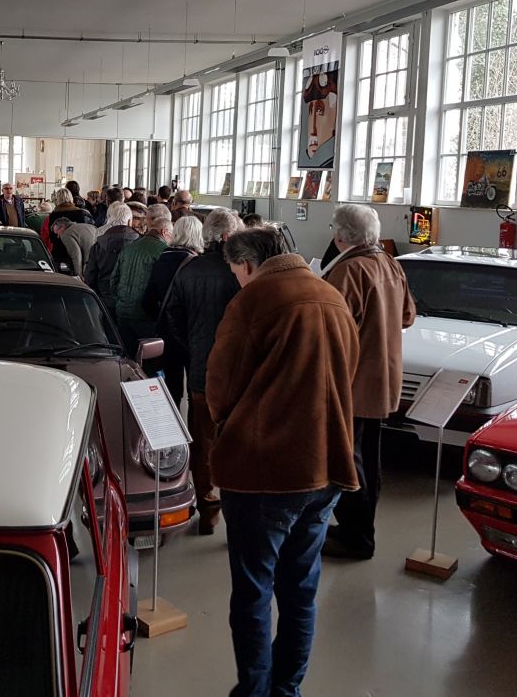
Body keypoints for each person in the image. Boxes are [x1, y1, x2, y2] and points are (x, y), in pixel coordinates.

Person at [206, 225, 359, 697]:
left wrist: (230, 426)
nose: (237, 280)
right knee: (300, 591)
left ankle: (253, 691)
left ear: (247, 264)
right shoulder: (331, 296)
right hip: (326, 464)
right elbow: (348, 371)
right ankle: (286, 689)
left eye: (235, 272)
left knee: (253, 593)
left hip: (265, 471)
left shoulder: (253, 301)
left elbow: (220, 388)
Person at [321, 205, 416, 560]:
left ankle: (357, 537)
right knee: (370, 459)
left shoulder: (349, 270)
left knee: (348, 460)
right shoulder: (390, 263)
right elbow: (408, 316)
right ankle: (361, 529)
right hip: (384, 378)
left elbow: (330, 329)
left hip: (353, 382)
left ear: (340, 235)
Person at [160, 208, 243, 534]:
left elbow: (172, 315)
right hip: (236, 373)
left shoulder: (188, 269)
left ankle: (208, 508)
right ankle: (237, 511)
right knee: (236, 441)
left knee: (203, 441)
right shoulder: (240, 272)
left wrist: (192, 347)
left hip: (199, 371)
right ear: (228, 237)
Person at [144, 214, 204, 408]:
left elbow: (147, 300)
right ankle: (193, 424)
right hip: (192, 333)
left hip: (167, 333)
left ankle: (173, 420)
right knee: (196, 388)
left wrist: (162, 318)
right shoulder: (198, 264)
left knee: (171, 388)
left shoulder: (162, 259)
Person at [110, 209, 172, 353]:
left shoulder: (129, 247)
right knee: (147, 357)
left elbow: (113, 281)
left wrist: (120, 299)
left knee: (126, 355)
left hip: (122, 311)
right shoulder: (164, 251)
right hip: (146, 315)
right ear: (164, 232)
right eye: (172, 235)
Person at [84, 202, 138, 314]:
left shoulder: (99, 245)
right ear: (129, 221)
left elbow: (90, 276)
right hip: (132, 300)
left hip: (104, 299)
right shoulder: (138, 243)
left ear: (109, 220)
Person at [47, 188, 92, 269]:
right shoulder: (81, 213)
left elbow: (52, 237)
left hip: (60, 253)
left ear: (57, 200)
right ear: (71, 198)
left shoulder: (54, 215)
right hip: (82, 252)